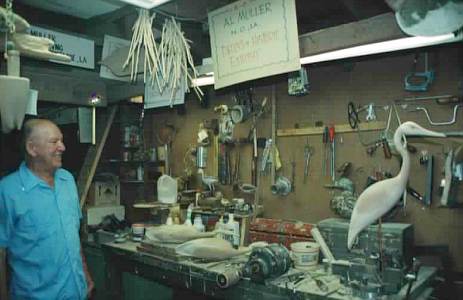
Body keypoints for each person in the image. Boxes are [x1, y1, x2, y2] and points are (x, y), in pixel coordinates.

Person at [0, 119, 94, 299]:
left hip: (77, 293)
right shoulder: (7, 191)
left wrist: (86, 276)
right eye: (54, 142)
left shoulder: (67, 180)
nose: (63, 147)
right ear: (32, 148)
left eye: (61, 140)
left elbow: (72, 235)